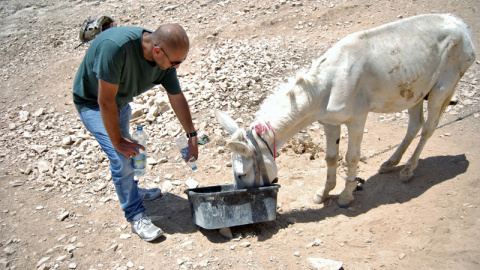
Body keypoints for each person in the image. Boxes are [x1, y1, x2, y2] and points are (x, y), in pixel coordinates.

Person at [72, 23, 198, 242]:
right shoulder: (116, 48)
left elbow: (176, 97)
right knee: (121, 155)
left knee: (128, 150)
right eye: (176, 62)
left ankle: (134, 190)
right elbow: (104, 101)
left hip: (119, 102)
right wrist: (118, 141)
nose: (177, 68)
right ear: (157, 51)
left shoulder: (163, 59)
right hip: (93, 103)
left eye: (182, 61)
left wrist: (192, 137)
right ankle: (135, 215)